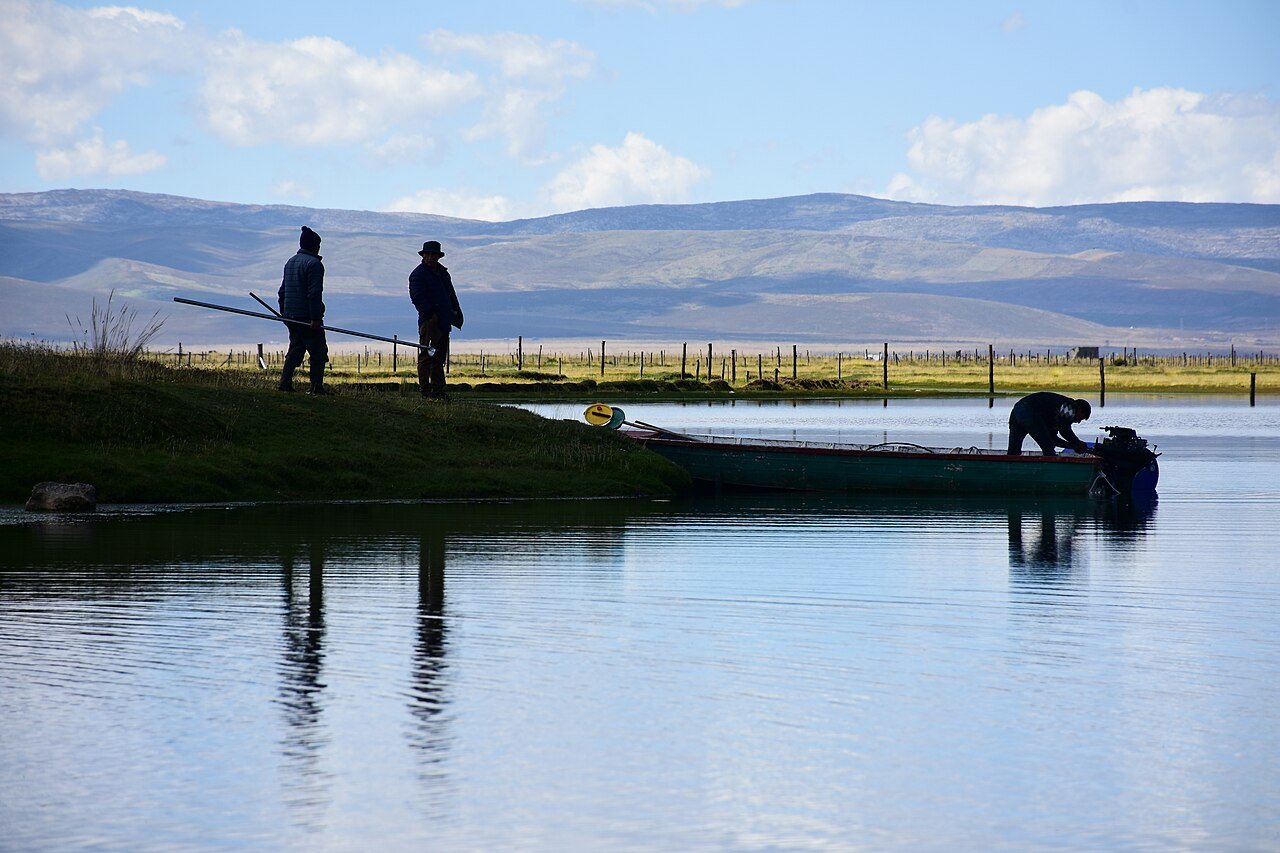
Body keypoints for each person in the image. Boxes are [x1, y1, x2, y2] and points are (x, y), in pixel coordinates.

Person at [408, 240, 463, 399]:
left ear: (438, 256)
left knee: (439, 358)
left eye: (434, 254)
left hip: (445, 321)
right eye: (428, 254)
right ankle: (426, 392)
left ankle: (438, 391)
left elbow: (451, 294)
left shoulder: (443, 273)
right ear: (423, 255)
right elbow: (417, 298)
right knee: (426, 357)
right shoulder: (418, 275)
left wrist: (454, 313)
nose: (431, 257)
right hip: (429, 322)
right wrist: (432, 315)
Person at [277, 226, 328, 394]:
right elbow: (314, 294)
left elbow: (282, 292)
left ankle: (284, 384)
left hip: (291, 316)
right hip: (307, 317)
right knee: (319, 352)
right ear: (315, 246)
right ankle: (316, 387)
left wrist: (284, 314)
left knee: (296, 349)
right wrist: (315, 318)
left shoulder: (290, 262)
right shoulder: (314, 265)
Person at [1007, 391, 1092, 456]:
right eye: (1081, 417)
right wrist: (1077, 443)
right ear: (1080, 409)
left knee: (1013, 451)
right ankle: (1051, 469)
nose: (1078, 422)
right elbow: (1064, 430)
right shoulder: (1071, 405)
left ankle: (1009, 470)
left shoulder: (1056, 414)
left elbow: (1053, 439)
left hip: (1017, 410)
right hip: (1029, 410)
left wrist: (1074, 446)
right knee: (1048, 447)